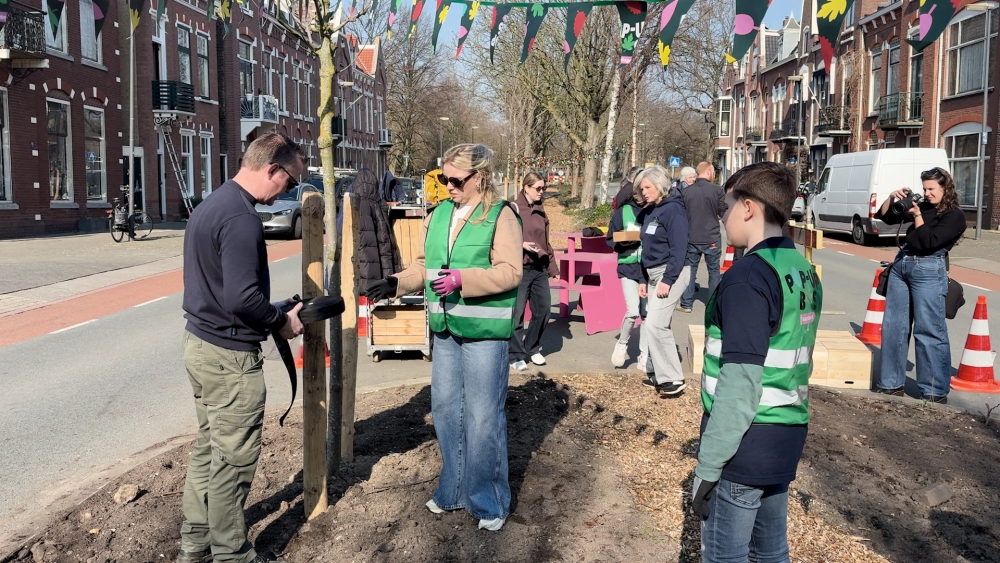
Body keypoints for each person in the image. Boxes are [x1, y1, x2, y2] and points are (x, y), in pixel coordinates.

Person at [363, 143, 522, 531]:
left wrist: (463, 280)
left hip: (484, 331)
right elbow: (424, 265)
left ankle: (490, 501)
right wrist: (396, 282)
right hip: (445, 330)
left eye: (456, 180)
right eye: (442, 178)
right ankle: (452, 491)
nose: (447, 186)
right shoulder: (438, 215)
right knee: (447, 411)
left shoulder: (501, 216)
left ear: (480, 177)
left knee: (483, 417)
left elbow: (511, 272)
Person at [178, 133, 306, 563]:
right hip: (229, 358)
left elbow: (221, 290)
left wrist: (269, 308)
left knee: (209, 447)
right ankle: (232, 554)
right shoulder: (242, 219)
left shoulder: (212, 204)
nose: (288, 192)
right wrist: (281, 320)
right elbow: (241, 300)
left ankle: (195, 545)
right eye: (289, 183)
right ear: (272, 168)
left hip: (200, 343)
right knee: (232, 460)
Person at [691, 162, 823, 563]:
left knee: (724, 556)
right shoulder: (801, 270)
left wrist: (709, 466)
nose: (722, 218)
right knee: (770, 552)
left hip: (742, 444)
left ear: (748, 208)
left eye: (725, 208)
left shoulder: (749, 277)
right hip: (784, 435)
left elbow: (740, 381)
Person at [872, 167, 966, 403]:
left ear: (946, 188)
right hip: (902, 266)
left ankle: (933, 389)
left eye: (932, 189)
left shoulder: (954, 216)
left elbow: (928, 242)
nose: (927, 193)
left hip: (928, 269)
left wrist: (916, 216)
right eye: (924, 188)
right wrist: (892, 198)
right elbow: (885, 217)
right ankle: (891, 383)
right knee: (894, 327)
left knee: (929, 329)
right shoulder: (921, 205)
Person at [636, 165, 690, 395]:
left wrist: (668, 279)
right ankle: (661, 373)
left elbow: (679, 249)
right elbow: (646, 246)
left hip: (671, 273)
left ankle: (674, 379)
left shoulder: (674, 211)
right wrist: (641, 278)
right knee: (658, 324)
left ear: (660, 185)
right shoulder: (654, 210)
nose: (644, 192)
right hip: (654, 273)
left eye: (647, 187)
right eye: (641, 188)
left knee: (655, 324)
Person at [510, 172, 559, 370]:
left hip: (539, 268)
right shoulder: (513, 209)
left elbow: (546, 243)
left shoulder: (541, 210)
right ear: (526, 188)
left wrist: (552, 268)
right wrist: (521, 244)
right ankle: (515, 354)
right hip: (520, 267)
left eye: (543, 188)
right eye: (538, 188)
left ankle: (532, 348)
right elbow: (502, 238)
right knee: (517, 313)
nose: (541, 192)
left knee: (544, 310)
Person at [606, 181, 650, 370]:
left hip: (648, 269)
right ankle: (622, 344)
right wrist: (625, 240)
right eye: (639, 192)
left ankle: (645, 354)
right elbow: (610, 238)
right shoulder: (622, 212)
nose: (642, 196)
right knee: (633, 311)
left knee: (647, 315)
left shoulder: (654, 210)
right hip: (628, 267)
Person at [677, 162, 727, 313]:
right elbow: (722, 211)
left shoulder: (687, 192)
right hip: (711, 236)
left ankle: (686, 304)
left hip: (691, 236)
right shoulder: (717, 190)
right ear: (709, 171)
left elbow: (681, 213)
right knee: (714, 271)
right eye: (713, 171)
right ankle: (711, 306)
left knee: (690, 270)